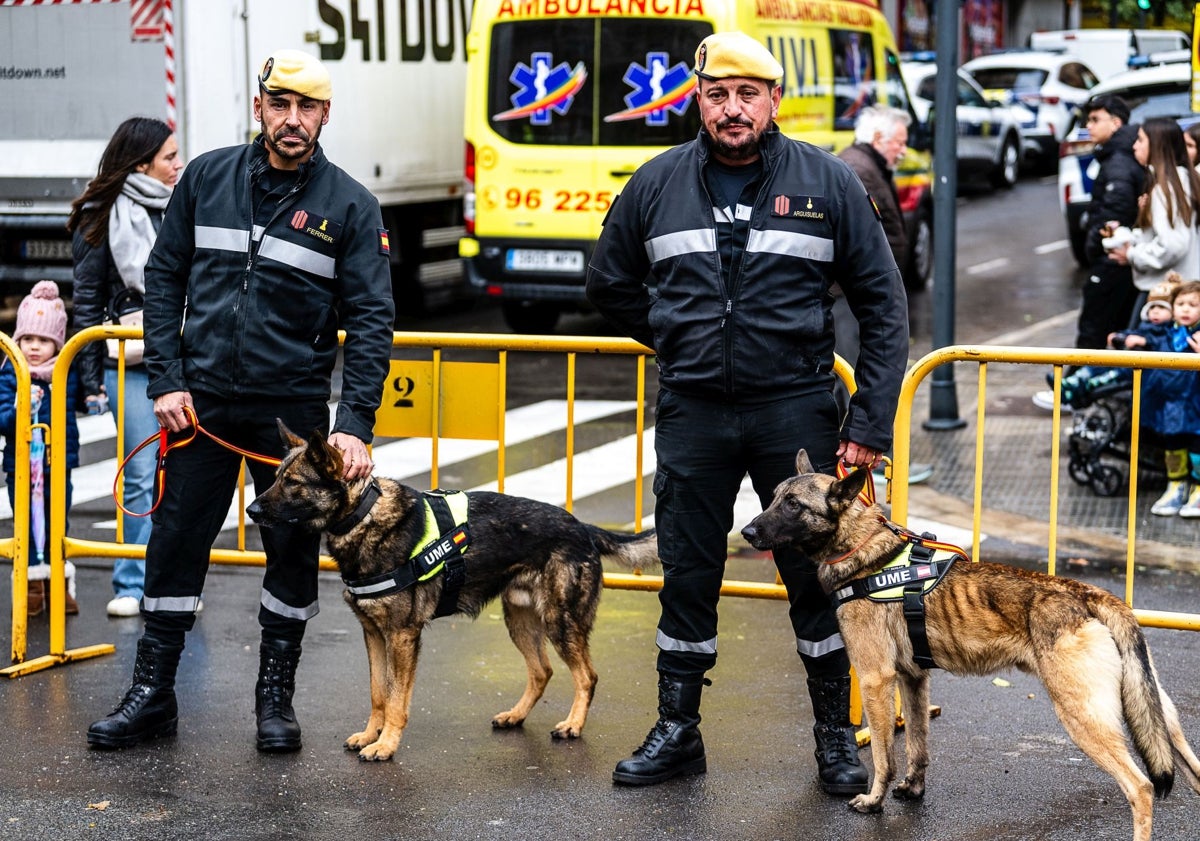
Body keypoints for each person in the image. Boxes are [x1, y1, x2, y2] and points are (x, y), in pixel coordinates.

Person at [586, 31, 909, 792]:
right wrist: (674, 333)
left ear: (773, 99)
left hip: (794, 412)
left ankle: (836, 739)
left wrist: (867, 422)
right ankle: (677, 730)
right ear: (699, 98)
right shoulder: (658, 182)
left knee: (815, 579)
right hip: (695, 410)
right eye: (717, 94)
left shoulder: (826, 182)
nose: (732, 109)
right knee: (688, 572)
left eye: (747, 94)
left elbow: (883, 303)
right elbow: (609, 282)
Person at [86, 49, 396, 752]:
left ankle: (274, 701)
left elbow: (373, 319)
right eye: (280, 104)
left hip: (290, 415)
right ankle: (151, 695)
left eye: (307, 108)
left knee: (289, 550)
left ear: (324, 115)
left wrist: (353, 425)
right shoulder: (205, 178)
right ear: (259, 106)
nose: (293, 120)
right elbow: (164, 280)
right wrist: (165, 378)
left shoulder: (350, 204)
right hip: (199, 404)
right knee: (174, 542)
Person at [67, 116, 183, 619]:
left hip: (184, 358)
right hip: (131, 360)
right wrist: (89, 379)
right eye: (169, 157)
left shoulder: (184, 207)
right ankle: (133, 583)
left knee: (182, 477)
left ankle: (174, 584)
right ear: (142, 164)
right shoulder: (101, 214)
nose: (179, 165)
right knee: (140, 474)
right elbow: (87, 299)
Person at [837, 105, 933, 485]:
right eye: (900, 142)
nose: (904, 151)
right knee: (859, 377)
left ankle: (874, 462)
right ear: (878, 139)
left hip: (859, 295)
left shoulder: (865, 166)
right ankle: (872, 465)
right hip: (855, 297)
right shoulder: (859, 170)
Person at [1034, 94, 1141, 411]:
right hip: (1118, 261)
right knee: (1109, 327)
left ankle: (1073, 393)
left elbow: (1115, 211)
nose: (1088, 127)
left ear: (1116, 122)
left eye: (1095, 120)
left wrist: (1095, 242)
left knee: (1095, 328)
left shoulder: (1119, 162)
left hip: (1112, 261)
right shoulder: (1115, 155)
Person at [0, 281, 87, 616]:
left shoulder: (64, 373)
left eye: (44, 341)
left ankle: (58, 584)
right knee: (25, 523)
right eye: (27, 340)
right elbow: (3, 420)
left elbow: (77, 404)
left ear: (58, 344)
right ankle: (31, 586)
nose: (34, 348)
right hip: (20, 466)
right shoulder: (11, 374)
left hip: (58, 462)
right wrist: (21, 405)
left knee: (56, 522)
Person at [1115, 280, 1200, 517]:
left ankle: (1198, 488)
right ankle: (1177, 485)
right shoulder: (1167, 330)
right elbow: (1144, 337)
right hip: (1172, 404)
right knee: (1173, 445)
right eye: (1180, 304)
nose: (1185, 309)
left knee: (1197, 449)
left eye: (1193, 304)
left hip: (1196, 404)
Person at [1103, 117, 1200, 312]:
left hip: (1168, 294)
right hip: (1180, 290)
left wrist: (1130, 254)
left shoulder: (1168, 189)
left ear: (1156, 146)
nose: (1134, 146)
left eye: (1140, 140)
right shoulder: (1182, 180)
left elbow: (1173, 244)